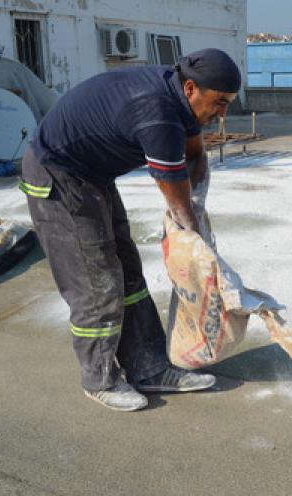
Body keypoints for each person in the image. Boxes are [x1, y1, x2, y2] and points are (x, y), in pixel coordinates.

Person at [19, 48, 240, 412]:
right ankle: (100, 378)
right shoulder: (158, 115)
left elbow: (196, 157)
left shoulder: (181, 104)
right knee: (98, 282)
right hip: (56, 175)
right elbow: (174, 193)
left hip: (92, 174)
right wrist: (191, 232)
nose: (223, 113)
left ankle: (148, 368)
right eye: (219, 102)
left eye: (228, 103)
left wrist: (197, 211)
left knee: (128, 273)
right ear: (190, 88)